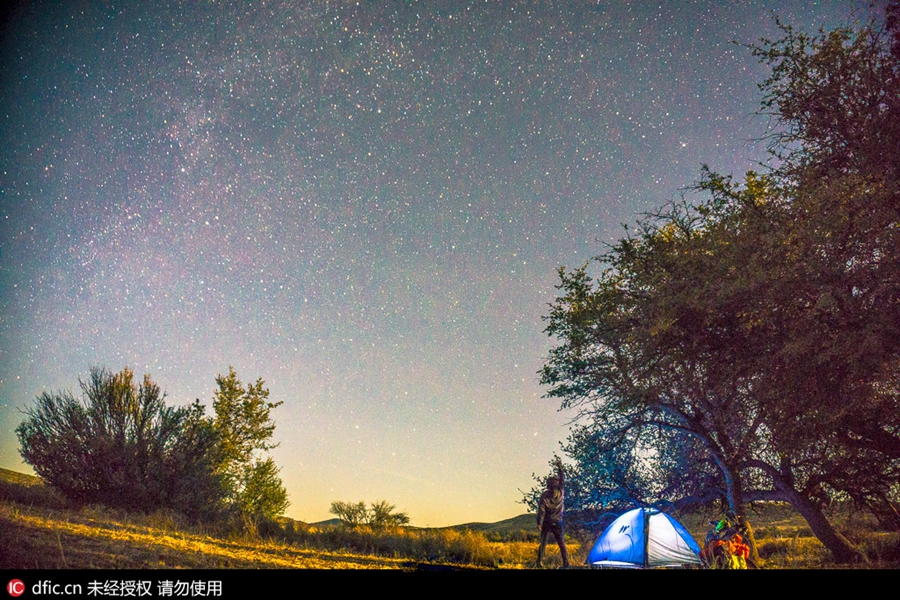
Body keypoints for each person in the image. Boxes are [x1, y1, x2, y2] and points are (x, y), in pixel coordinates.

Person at [536, 457, 570, 568]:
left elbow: (541, 510)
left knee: (543, 543)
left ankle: (539, 562)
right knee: (561, 543)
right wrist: (560, 467)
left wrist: (539, 523)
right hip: (558, 521)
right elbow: (562, 479)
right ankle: (566, 563)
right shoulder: (560, 492)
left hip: (547, 521)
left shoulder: (544, 495)